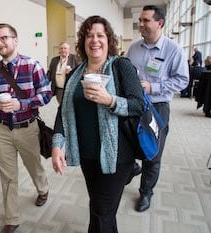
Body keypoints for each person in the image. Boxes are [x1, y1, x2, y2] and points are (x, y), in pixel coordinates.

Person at [51, 15, 144, 233]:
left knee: (101, 211)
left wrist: (109, 100)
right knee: (100, 208)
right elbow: (63, 112)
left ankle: (129, 171)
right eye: (89, 35)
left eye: (100, 35)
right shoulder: (75, 74)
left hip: (118, 155)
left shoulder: (121, 67)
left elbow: (138, 105)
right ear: (83, 41)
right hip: (87, 155)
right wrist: (57, 144)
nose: (95, 40)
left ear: (108, 40)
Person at [0, 23, 51, 233]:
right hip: (1, 130)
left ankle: (43, 189)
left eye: (5, 38)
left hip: (27, 128)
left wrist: (22, 104)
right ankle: (11, 218)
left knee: (34, 166)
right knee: (8, 176)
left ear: (15, 40)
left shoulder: (32, 65)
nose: (1, 43)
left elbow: (47, 94)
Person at [126, 5, 189, 212]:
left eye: (146, 20)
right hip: (134, 105)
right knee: (128, 143)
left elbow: (182, 80)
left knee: (152, 154)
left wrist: (154, 87)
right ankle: (131, 168)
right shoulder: (134, 48)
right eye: (140, 20)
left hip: (157, 107)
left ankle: (146, 193)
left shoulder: (174, 50)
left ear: (159, 23)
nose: (141, 24)